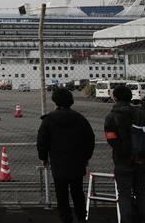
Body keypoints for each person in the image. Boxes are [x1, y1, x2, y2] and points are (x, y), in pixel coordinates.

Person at [37, 88, 95, 223]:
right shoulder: (80, 118)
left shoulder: (49, 119)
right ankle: (81, 217)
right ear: (71, 101)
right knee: (78, 192)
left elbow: (42, 141)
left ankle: (66, 218)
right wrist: (86, 157)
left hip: (58, 163)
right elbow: (90, 139)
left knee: (61, 194)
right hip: (77, 162)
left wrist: (43, 157)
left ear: (55, 101)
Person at [104, 85, 145, 223]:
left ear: (115, 98)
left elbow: (111, 140)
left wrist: (123, 151)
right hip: (141, 159)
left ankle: (127, 220)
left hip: (122, 161)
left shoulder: (111, 116)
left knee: (124, 194)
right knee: (140, 192)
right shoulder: (141, 113)